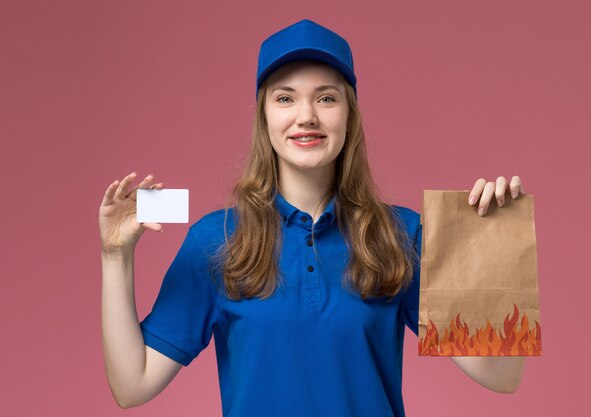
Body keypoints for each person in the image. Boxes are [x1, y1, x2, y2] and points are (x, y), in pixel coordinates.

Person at [99, 18, 526, 416]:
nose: (306, 116)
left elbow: (502, 376)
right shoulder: (216, 240)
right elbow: (132, 386)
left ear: (349, 115)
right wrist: (115, 257)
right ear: (264, 117)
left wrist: (492, 247)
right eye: (285, 98)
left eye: (326, 97)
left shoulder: (402, 234)